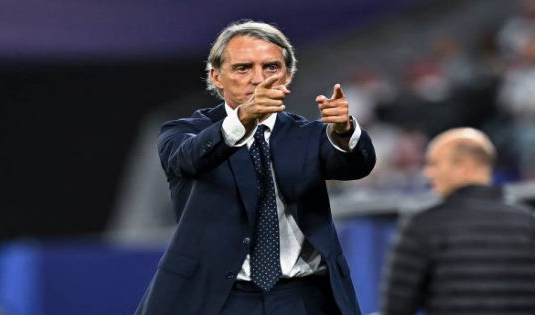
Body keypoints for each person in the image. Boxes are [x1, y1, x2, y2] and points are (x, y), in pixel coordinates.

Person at [135, 20, 376, 315]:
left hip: (302, 297)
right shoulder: (183, 132)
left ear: (287, 76)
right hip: (218, 297)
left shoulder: (309, 135)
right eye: (243, 68)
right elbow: (187, 159)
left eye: (271, 67)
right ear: (216, 76)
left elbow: (355, 165)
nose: (258, 79)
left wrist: (344, 130)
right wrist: (243, 118)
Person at [380, 127, 535, 315]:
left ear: (463, 166)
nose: (428, 173)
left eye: (434, 163)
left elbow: (396, 308)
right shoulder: (528, 223)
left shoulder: (424, 225)